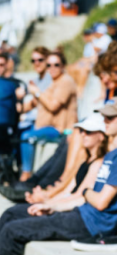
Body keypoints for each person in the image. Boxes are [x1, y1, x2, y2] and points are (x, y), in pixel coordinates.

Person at [0, 97, 117, 255]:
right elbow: (89, 198)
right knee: (11, 214)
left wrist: (85, 192)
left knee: (11, 231)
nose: (105, 121)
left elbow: (100, 202)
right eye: (105, 117)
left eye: (111, 118)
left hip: (92, 225)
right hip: (82, 216)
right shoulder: (115, 153)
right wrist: (52, 207)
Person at [7, 114, 108, 219]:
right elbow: (68, 190)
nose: (83, 135)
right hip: (66, 205)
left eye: (88, 132)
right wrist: (46, 201)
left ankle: (33, 187)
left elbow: (79, 196)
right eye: (81, 131)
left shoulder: (98, 164)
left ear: (101, 136)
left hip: (73, 213)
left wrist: (49, 204)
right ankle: (33, 186)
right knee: (12, 213)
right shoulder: (86, 160)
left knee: (13, 216)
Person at [21, 51, 78, 181]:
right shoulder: (53, 82)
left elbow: (53, 105)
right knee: (18, 132)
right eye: (49, 65)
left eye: (56, 64)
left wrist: (36, 92)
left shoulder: (65, 82)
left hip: (62, 129)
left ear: (63, 66)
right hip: (47, 126)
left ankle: (26, 175)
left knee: (26, 137)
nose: (52, 68)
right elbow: (34, 104)